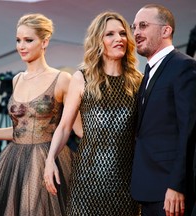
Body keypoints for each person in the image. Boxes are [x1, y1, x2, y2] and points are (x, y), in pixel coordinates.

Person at [0, 13, 81, 216]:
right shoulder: (17, 80)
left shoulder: (62, 79)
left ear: (45, 41)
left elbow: (77, 128)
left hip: (49, 160)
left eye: (28, 40)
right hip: (14, 162)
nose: (21, 46)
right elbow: (20, 131)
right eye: (18, 40)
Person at [44, 11, 142, 215]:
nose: (119, 39)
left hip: (126, 179)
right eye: (110, 34)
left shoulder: (137, 81)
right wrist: (50, 160)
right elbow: (64, 127)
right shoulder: (82, 78)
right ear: (99, 41)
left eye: (122, 33)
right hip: (87, 179)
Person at [130, 4, 196, 216]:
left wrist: (177, 185)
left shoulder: (183, 66)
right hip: (148, 186)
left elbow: (189, 131)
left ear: (166, 30)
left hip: (170, 191)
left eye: (143, 25)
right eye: (134, 27)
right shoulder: (148, 73)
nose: (136, 33)